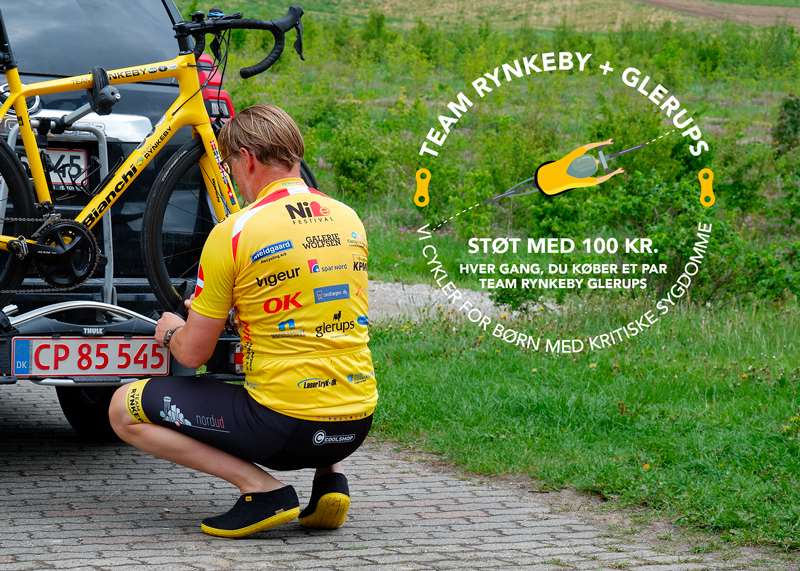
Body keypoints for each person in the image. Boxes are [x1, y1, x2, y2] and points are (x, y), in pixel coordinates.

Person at [108, 104, 378, 539]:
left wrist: (171, 330)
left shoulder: (234, 232)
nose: (233, 178)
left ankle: (262, 490)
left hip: (284, 430)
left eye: (230, 165)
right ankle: (331, 480)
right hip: (355, 424)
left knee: (124, 408)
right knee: (320, 342)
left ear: (247, 158)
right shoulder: (348, 219)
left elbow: (193, 354)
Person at [535, 138, 624, 196]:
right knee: (567, 186)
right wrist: (614, 173)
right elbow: (598, 180)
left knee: (557, 167)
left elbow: (585, 148)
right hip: (547, 188)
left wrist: (604, 142)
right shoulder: (575, 179)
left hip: (542, 173)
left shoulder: (568, 162)